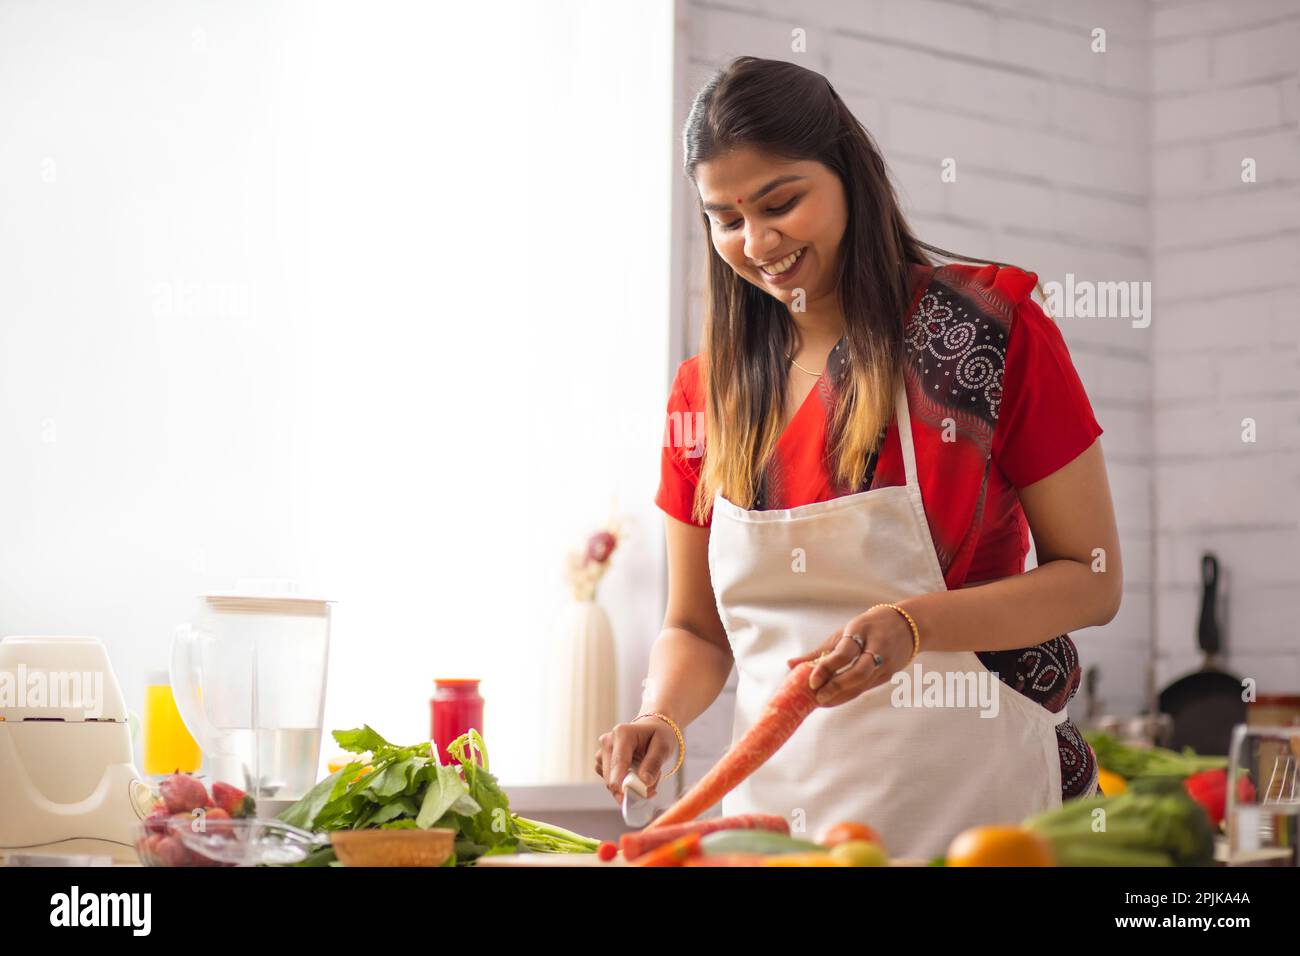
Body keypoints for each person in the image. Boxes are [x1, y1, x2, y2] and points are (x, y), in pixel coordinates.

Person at [595, 56, 1122, 859]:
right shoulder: (706, 397)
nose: (759, 241)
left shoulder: (982, 333)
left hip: (980, 813)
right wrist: (659, 714)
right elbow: (697, 628)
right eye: (727, 218)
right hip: (784, 829)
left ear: (849, 174)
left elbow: (1093, 580)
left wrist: (917, 625)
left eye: (782, 202)